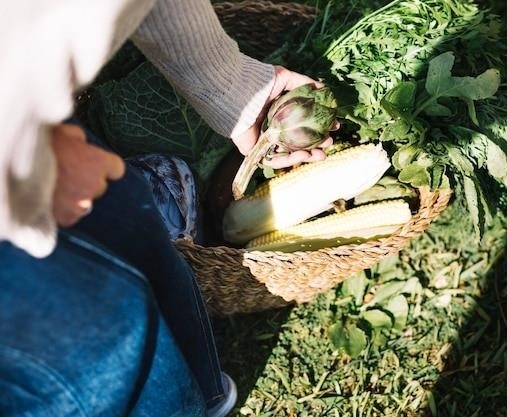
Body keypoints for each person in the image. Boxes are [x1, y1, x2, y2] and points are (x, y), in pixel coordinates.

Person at [0, 0, 333, 416]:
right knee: (99, 352)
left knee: (147, 250)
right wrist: (25, 165)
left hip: (33, 121)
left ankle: (201, 393)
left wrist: (231, 86)